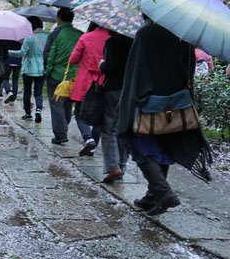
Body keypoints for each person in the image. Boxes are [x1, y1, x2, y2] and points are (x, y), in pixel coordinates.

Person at [116, 21, 212, 216]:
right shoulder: (183, 34)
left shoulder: (146, 33)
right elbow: (189, 68)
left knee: (140, 144)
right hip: (175, 101)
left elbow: (137, 70)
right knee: (164, 144)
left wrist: (129, 102)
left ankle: (163, 191)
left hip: (147, 100)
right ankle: (153, 196)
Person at [68, 22, 110, 156]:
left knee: (79, 113)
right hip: (103, 81)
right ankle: (93, 145)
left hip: (85, 81)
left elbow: (73, 60)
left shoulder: (86, 37)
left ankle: (88, 138)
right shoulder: (112, 39)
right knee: (99, 115)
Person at [43, 7, 84, 145]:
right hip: (74, 76)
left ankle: (60, 135)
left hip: (56, 75)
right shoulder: (80, 34)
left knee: (56, 104)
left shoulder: (55, 34)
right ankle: (63, 129)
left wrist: (47, 72)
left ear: (59, 18)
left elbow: (49, 54)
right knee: (67, 104)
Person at [98, 29, 133, 183]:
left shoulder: (113, 42)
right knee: (123, 128)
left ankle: (113, 167)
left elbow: (110, 66)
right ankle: (122, 165)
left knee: (109, 128)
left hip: (113, 88)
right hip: (130, 89)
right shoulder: (134, 41)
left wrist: (102, 64)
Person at [8, 16, 47, 122]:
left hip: (29, 68)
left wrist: (8, 52)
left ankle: (28, 113)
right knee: (38, 92)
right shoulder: (48, 37)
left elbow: (22, 53)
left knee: (27, 92)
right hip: (42, 68)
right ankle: (38, 109)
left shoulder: (29, 37)